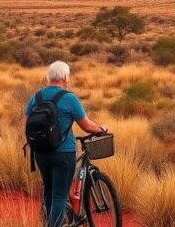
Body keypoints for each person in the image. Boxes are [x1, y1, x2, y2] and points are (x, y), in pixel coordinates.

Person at [24, 61, 107, 227]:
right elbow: (86, 126)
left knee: (49, 191)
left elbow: (26, 125)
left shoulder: (36, 97)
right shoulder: (69, 98)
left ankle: (49, 223)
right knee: (60, 195)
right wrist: (101, 128)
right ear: (64, 77)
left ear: (50, 77)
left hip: (40, 153)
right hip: (63, 153)